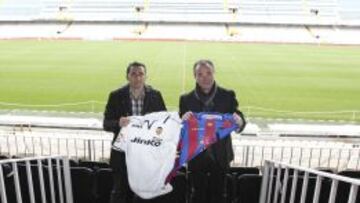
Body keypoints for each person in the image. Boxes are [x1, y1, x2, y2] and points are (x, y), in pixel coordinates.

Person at [179, 59, 246, 203]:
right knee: (196, 195)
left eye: (208, 73)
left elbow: (236, 115)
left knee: (220, 195)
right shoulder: (185, 99)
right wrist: (182, 120)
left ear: (214, 73)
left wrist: (239, 122)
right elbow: (182, 128)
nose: (205, 77)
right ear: (195, 76)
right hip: (196, 155)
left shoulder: (227, 95)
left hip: (220, 154)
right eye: (200, 74)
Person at [103, 61, 167, 203]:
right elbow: (106, 124)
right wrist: (118, 123)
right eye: (133, 74)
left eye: (140, 74)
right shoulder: (116, 96)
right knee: (120, 192)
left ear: (145, 76)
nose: (137, 77)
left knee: (143, 194)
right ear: (127, 76)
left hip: (146, 155)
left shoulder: (155, 95)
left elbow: (163, 124)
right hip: (122, 155)